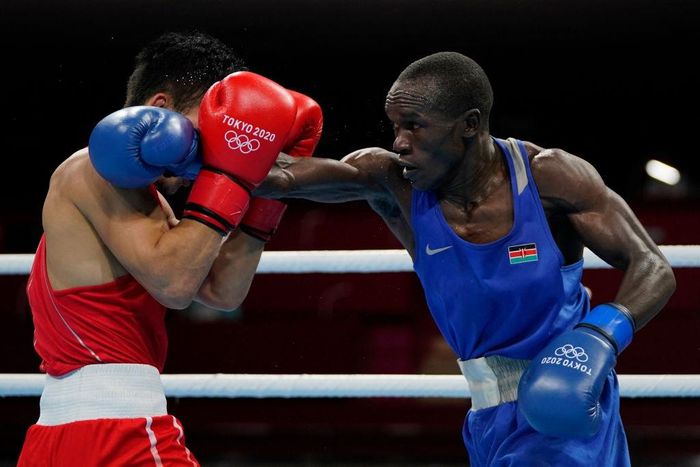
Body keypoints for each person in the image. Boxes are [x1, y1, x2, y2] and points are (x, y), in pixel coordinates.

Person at [256, 51, 676, 465]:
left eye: (415, 127)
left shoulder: (549, 177)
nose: (400, 142)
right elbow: (281, 178)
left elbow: (652, 266)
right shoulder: (393, 182)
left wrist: (600, 335)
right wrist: (204, 148)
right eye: (396, 127)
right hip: (486, 417)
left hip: (564, 406)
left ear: (469, 125)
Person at [18, 31, 323, 466]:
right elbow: (176, 283)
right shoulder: (92, 168)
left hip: (70, 435)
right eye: (207, 132)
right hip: (116, 433)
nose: (211, 154)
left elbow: (220, 291)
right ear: (159, 111)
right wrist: (233, 177)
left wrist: (264, 202)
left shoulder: (146, 201)